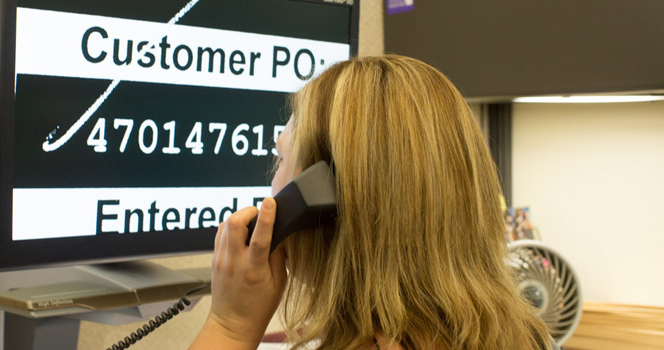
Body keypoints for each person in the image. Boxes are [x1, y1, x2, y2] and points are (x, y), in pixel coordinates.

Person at [190, 55, 554, 350]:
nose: (273, 186)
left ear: (321, 198)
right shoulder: (532, 336)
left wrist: (230, 328)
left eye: (282, 159)